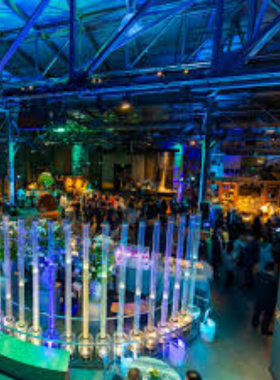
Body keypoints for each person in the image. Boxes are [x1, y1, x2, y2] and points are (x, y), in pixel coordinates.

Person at [252, 261, 278, 335]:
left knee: (257, 312)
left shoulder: (258, 275)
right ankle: (264, 330)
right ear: (273, 270)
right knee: (267, 316)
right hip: (269, 302)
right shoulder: (274, 281)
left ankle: (254, 324)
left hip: (259, 298)